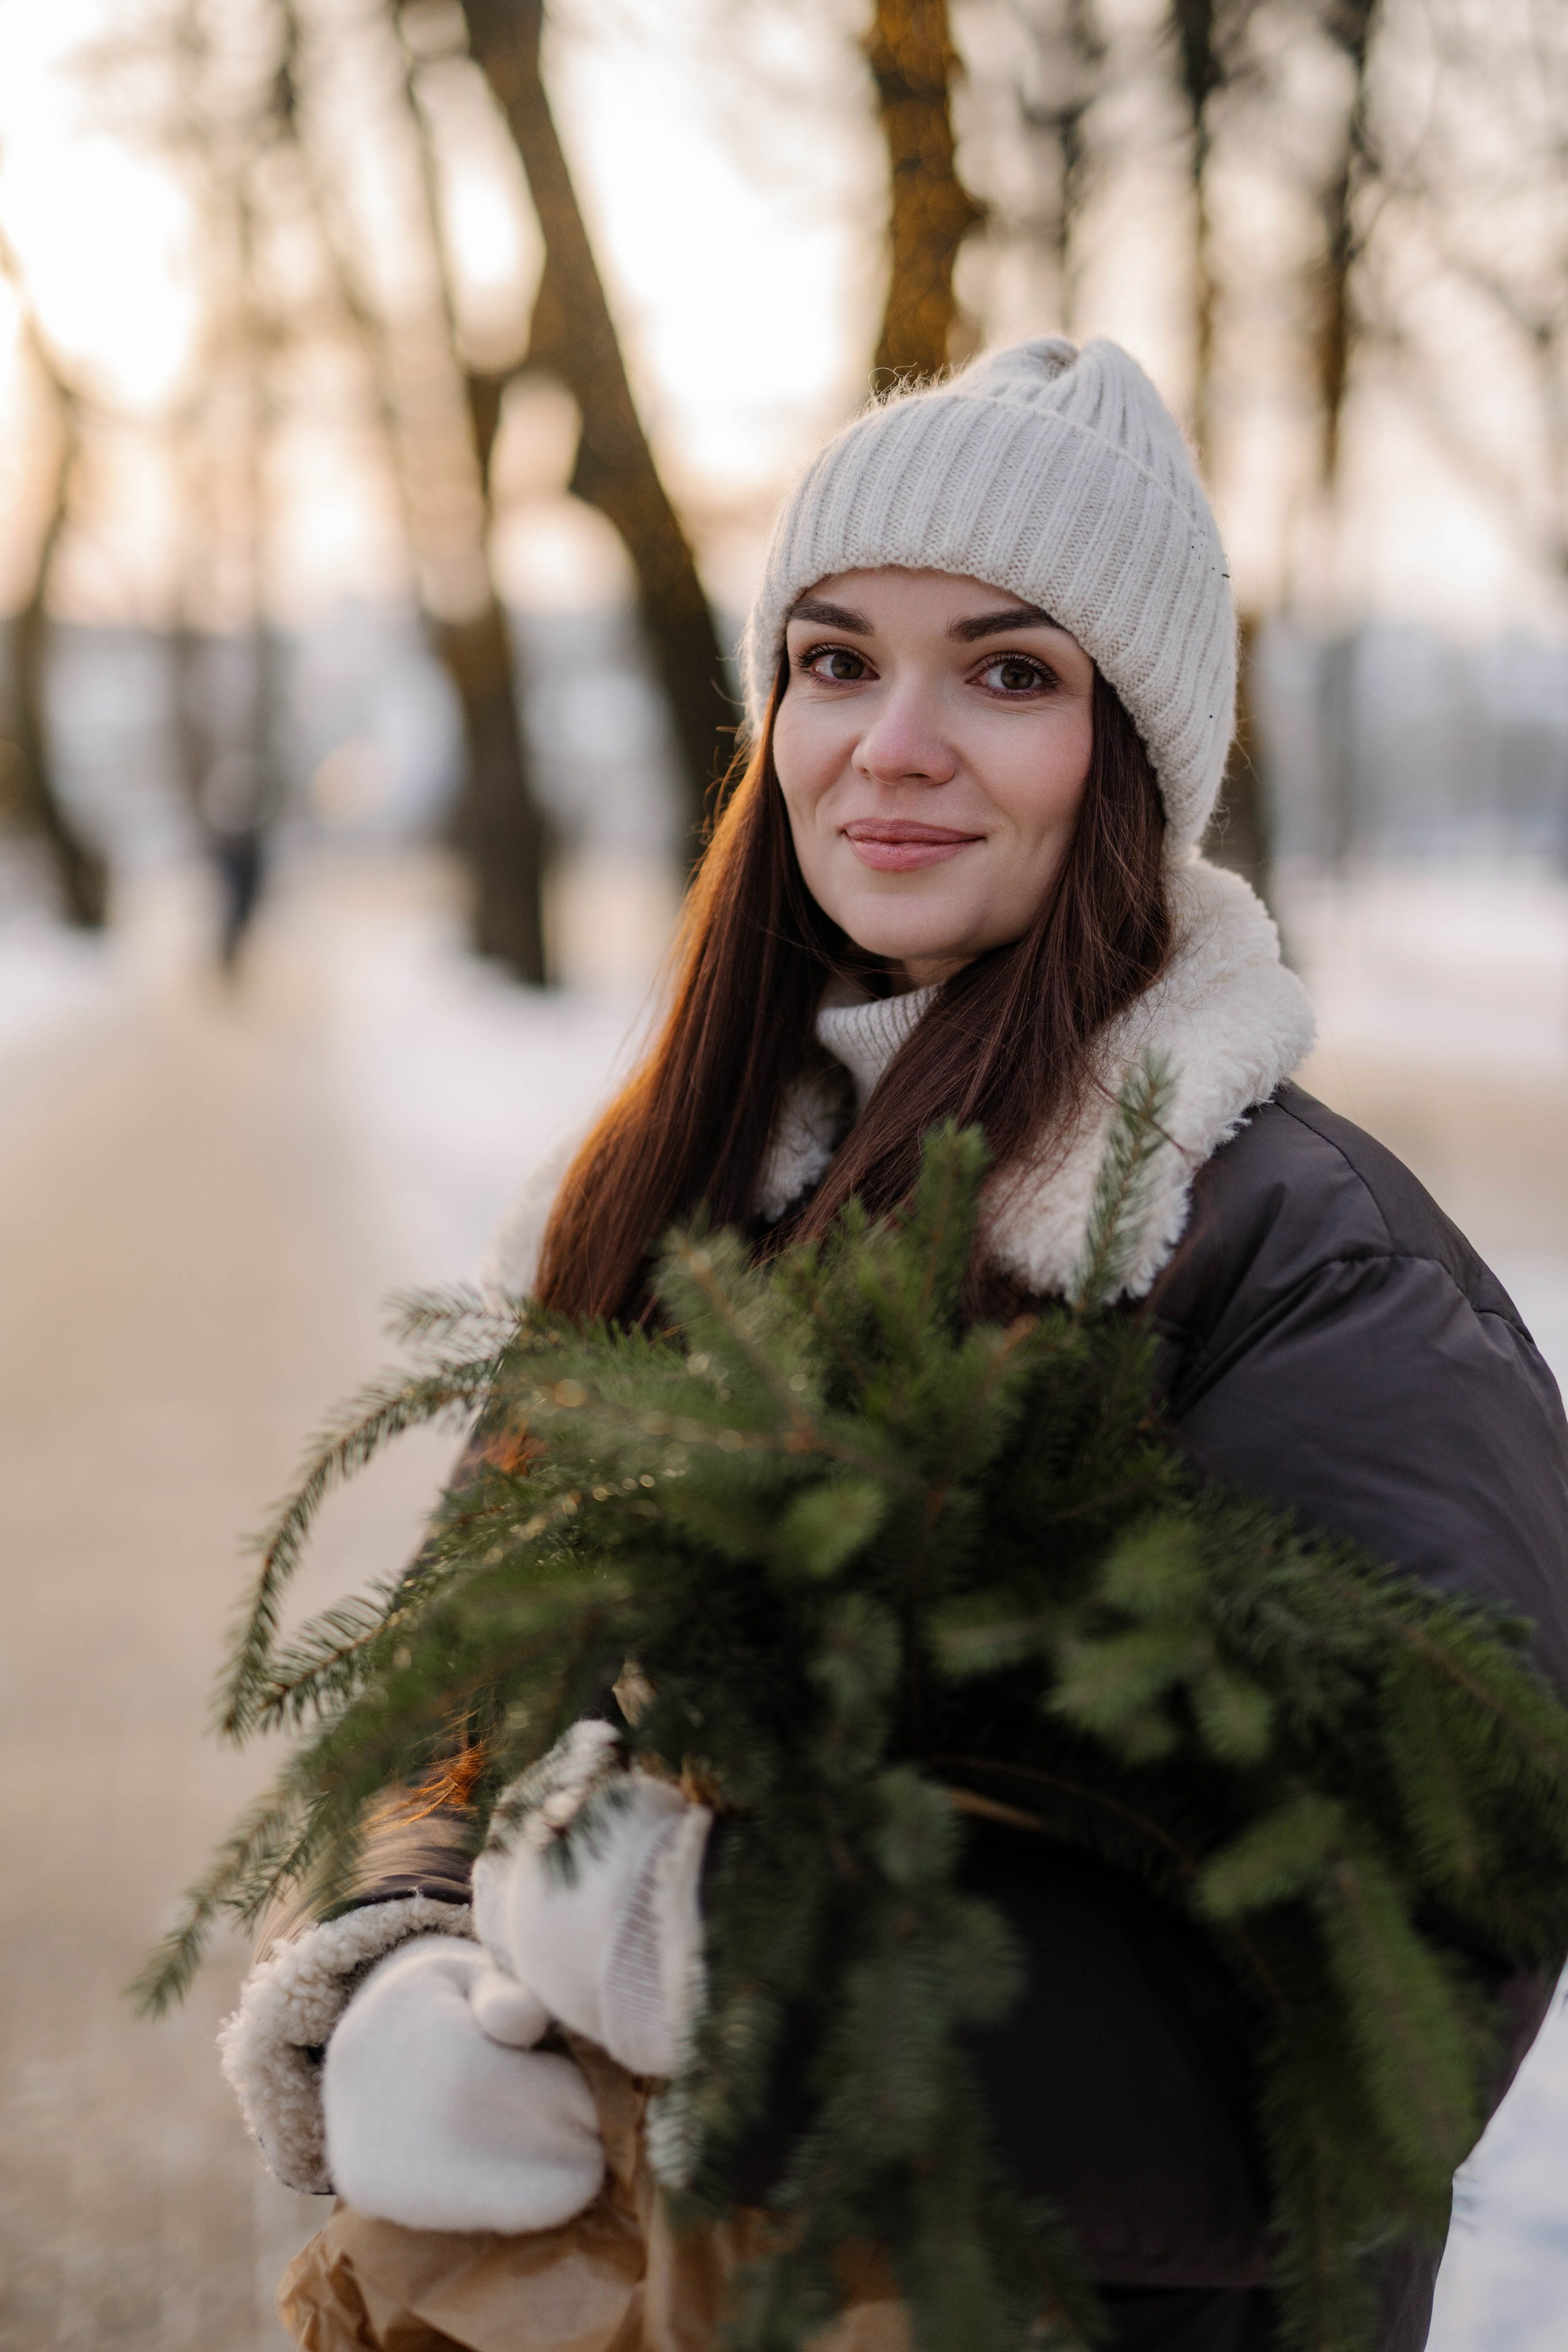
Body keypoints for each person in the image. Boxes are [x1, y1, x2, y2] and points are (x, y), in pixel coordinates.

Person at [219, 338, 1568, 2352]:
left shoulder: (1306, 1265)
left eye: (1009, 673)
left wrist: (760, 1969)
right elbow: (460, 1685)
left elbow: (1376, 2024)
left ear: (1136, 755)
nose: (894, 745)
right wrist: (392, 1948)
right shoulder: (685, 1197)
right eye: (837, 662)